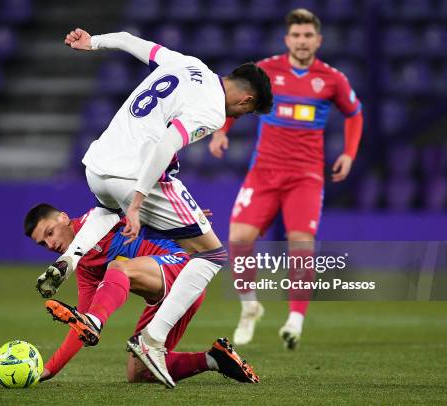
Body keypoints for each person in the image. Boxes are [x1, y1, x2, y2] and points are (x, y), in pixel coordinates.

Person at [35, 28, 273, 387]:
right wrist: (138, 202)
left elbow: (132, 41)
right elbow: (166, 144)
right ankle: (152, 341)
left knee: (110, 211)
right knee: (211, 257)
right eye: (248, 110)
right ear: (247, 101)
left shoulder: (188, 63)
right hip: (134, 175)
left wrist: (93, 42)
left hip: (96, 167)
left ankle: (70, 257)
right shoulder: (211, 109)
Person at [208, 9, 364, 349]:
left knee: (301, 245)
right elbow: (237, 97)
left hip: (305, 177)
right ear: (287, 39)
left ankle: (295, 320)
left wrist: (349, 153)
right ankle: (250, 306)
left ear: (318, 40)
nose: (302, 41)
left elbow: (354, 113)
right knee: (238, 238)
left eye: (308, 36)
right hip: (263, 172)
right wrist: (222, 131)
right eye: (296, 35)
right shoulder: (266, 71)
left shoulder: (332, 79)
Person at [24, 203, 259, 384]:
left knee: (118, 267)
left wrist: (185, 219)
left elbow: (143, 205)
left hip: (181, 271)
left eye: (49, 232)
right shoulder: (83, 265)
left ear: (63, 218)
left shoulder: (98, 220)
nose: (51, 243)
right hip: (165, 299)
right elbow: (79, 324)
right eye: (43, 243)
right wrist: (49, 369)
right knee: (139, 371)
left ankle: (97, 322)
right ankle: (215, 359)